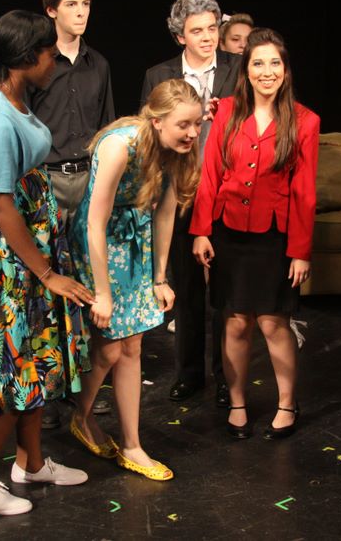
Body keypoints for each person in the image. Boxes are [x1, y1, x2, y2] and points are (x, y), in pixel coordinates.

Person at [0, 10, 94, 516]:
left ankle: (31, 463)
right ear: (27, 57)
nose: (55, 60)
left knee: (31, 353)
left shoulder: (12, 95)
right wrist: (47, 273)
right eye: (50, 53)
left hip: (20, 245)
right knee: (7, 363)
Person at [69, 79, 203, 481]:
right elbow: (95, 222)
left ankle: (131, 444)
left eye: (197, 124)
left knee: (133, 345)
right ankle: (82, 416)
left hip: (134, 241)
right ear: (158, 121)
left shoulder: (177, 152)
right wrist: (102, 293)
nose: (192, 133)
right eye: (183, 125)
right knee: (110, 347)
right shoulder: (120, 145)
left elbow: (165, 213)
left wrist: (160, 277)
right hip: (97, 241)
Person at [191, 28, 319, 440]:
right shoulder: (226, 112)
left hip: (274, 237)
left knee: (272, 323)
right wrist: (201, 231)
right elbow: (210, 175)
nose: (267, 71)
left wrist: (300, 251)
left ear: (286, 70)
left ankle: (287, 403)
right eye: (258, 63)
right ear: (246, 70)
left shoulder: (305, 121)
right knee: (235, 323)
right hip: (228, 233)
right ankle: (237, 401)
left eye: (274, 63)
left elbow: (305, 192)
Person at [141, 0, 240, 406]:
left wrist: (227, 115)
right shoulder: (159, 75)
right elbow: (148, 131)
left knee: (225, 292)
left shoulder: (238, 68)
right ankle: (189, 374)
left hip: (226, 190)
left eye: (212, 28)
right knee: (185, 287)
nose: (207, 37)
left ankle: (226, 377)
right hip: (179, 190)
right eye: (197, 31)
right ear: (180, 36)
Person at [28, 0, 116, 428]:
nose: (81, 13)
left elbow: (107, 128)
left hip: (86, 179)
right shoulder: (38, 62)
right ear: (51, 11)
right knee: (47, 285)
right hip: (46, 179)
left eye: (86, 4)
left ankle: (83, 387)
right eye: (71, 5)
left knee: (86, 280)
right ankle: (45, 389)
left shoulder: (98, 64)